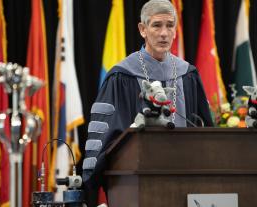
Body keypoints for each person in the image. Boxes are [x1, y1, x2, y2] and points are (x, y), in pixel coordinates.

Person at [82, 0, 213, 205]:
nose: (164, 33)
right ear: (143, 29)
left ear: (175, 30)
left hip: (185, 181)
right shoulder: (121, 76)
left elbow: (205, 134)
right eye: (156, 25)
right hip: (135, 185)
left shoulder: (188, 75)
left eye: (170, 25)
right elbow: (106, 139)